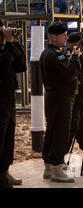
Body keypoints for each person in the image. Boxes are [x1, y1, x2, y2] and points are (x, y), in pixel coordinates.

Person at [39, 22, 80, 183]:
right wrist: (76, 58)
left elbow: (64, 65)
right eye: (63, 35)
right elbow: (69, 72)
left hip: (54, 97)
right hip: (60, 98)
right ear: (53, 37)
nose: (66, 37)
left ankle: (49, 165)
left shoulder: (51, 53)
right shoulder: (54, 55)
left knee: (52, 130)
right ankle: (56, 167)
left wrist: (69, 53)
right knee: (61, 131)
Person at [0, 21, 26, 188]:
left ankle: (4, 172)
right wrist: (9, 44)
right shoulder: (3, 53)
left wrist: (15, 43)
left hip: (8, 97)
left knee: (8, 135)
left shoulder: (6, 49)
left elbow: (21, 66)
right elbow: (3, 66)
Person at [65, 32, 83, 165]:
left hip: (81, 97)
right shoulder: (66, 56)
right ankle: (60, 157)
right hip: (73, 98)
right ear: (73, 44)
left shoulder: (78, 55)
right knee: (72, 126)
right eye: (80, 43)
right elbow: (81, 66)